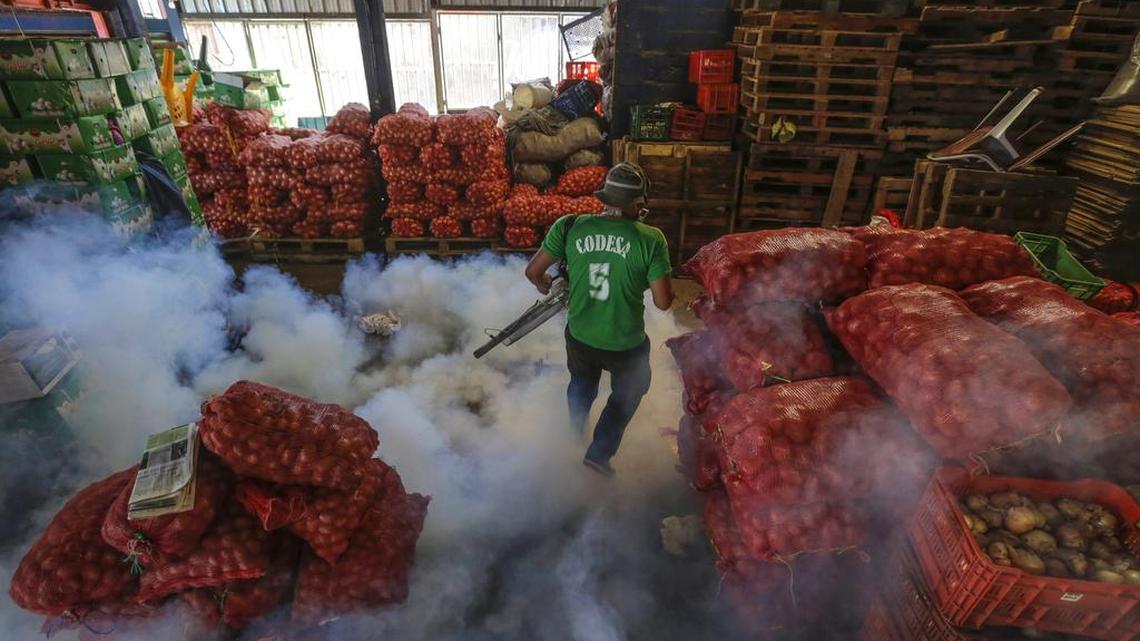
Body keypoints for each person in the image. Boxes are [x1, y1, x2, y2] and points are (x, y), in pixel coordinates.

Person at [524, 163, 675, 476]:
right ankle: (599, 452)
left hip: (579, 334)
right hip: (625, 343)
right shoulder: (651, 239)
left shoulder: (569, 226)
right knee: (629, 392)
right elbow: (662, 303)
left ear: (605, 198)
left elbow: (534, 272)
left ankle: (574, 434)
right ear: (637, 204)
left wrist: (550, 284)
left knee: (581, 383)